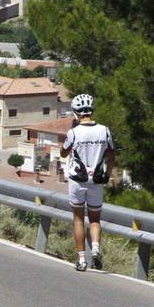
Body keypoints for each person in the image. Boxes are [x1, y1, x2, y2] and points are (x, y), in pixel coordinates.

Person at [62, 93, 115, 272]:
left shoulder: (74, 132)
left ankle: (82, 260)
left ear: (76, 112)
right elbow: (111, 154)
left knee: (78, 219)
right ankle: (96, 248)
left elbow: (63, 153)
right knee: (95, 219)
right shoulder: (104, 130)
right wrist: (107, 174)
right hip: (97, 181)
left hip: (77, 181)